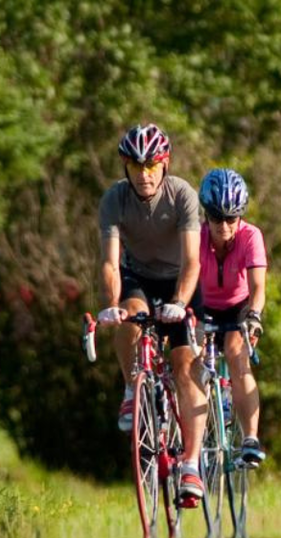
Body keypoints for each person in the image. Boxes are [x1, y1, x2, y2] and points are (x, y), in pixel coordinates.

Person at [97, 123, 206, 502]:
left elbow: (193, 260)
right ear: (126, 167)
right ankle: (132, 387)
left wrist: (179, 302)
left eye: (152, 166)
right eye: (137, 166)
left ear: (165, 164)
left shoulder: (182, 195)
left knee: (184, 366)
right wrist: (111, 307)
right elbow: (110, 264)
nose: (145, 175)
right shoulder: (115, 199)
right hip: (138, 276)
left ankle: (191, 465)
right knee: (130, 313)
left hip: (181, 281)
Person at [198, 168, 268, 467]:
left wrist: (254, 315)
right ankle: (190, 435)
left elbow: (258, 287)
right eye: (217, 218)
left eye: (231, 218)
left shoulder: (251, 236)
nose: (224, 226)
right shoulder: (195, 237)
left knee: (236, 355)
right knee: (192, 356)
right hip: (202, 305)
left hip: (238, 306)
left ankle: (250, 438)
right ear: (206, 215)